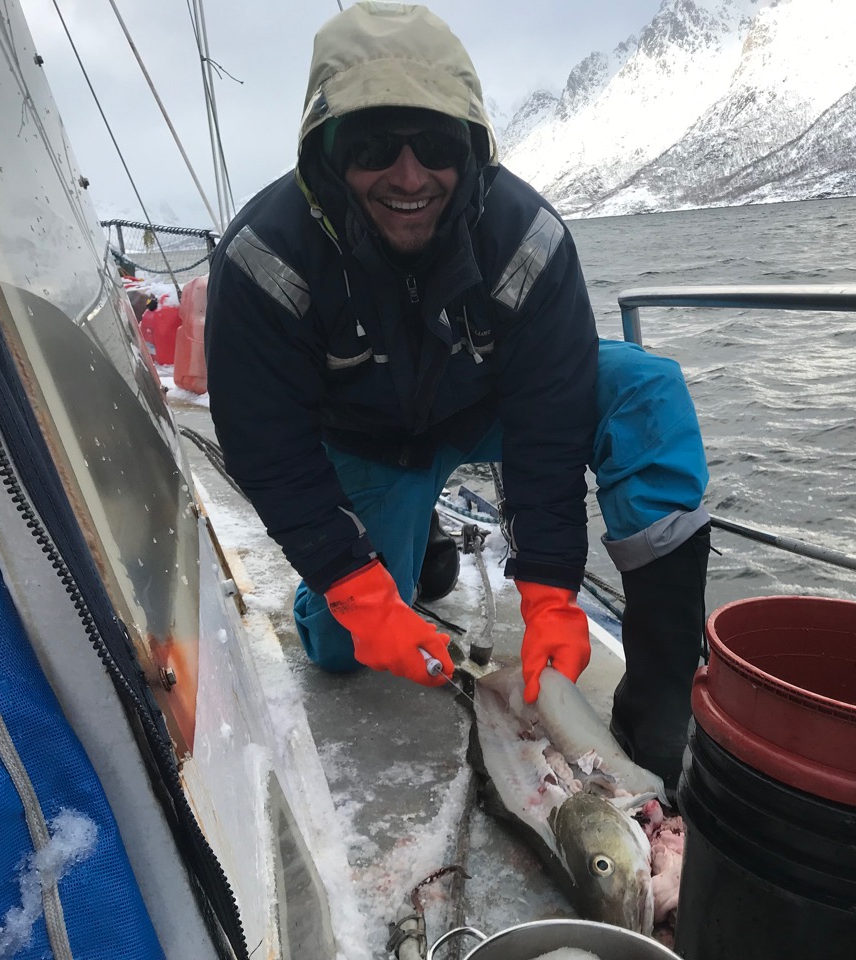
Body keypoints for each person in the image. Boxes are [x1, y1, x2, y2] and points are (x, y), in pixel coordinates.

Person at [204, 1, 710, 789]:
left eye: (436, 146)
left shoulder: (528, 239)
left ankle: (662, 700)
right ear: (328, 155)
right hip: (369, 443)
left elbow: (550, 421)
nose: (409, 178)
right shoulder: (265, 261)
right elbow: (268, 446)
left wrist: (547, 595)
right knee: (342, 651)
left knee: (643, 388)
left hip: (488, 409)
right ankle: (390, 565)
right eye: (374, 146)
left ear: (470, 151)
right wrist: (356, 588)